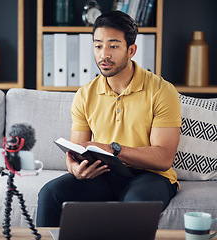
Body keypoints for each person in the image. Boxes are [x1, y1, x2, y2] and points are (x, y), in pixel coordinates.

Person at [36, 10, 181, 227]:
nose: (104, 55)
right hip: (103, 174)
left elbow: (163, 158)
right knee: (50, 193)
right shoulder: (85, 94)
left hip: (150, 176)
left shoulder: (162, 91)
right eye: (98, 46)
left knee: (137, 203)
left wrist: (112, 149)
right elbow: (75, 150)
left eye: (113, 46)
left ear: (131, 50)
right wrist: (75, 168)